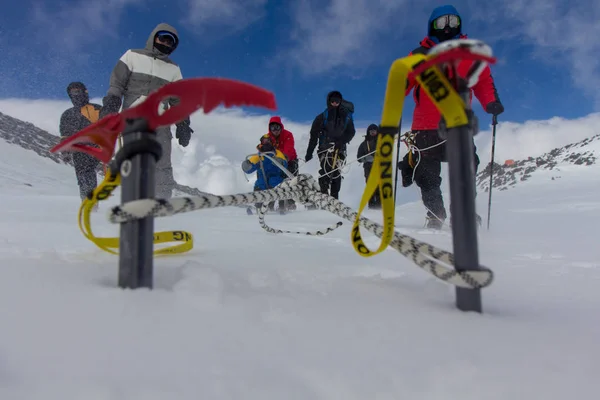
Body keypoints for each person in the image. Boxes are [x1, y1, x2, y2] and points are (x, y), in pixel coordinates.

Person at [397, 4, 504, 229]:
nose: (447, 28)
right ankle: (435, 215)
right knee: (427, 175)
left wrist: (491, 102)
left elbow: (483, 81)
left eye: (452, 22)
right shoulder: (419, 55)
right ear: (432, 26)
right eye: (441, 23)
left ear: (459, 26)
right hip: (425, 128)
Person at [99, 23, 194, 198]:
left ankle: (162, 201)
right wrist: (111, 104)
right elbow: (117, 84)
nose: (166, 43)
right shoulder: (132, 56)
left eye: (171, 42)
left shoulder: (174, 69)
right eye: (163, 38)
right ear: (154, 36)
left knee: (162, 162)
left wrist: (184, 124)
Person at [304, 90, 356, 199]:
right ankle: (324, 196)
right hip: (324, 149)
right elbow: (313, 136)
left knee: (336, 172)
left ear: (340, 102)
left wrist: (341, 141)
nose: (335, 103)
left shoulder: (346, 117)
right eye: (333, 101)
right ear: (329, 101)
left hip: (340, 148)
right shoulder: (321, 117)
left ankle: (334, 199)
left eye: (337, 101)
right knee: (326, 170)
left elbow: (351, 132)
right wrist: (309, 153)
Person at [59, 82, 102, 202]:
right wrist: (65, 151)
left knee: (86, 171)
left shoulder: (97, 109)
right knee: (82, 175)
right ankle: (87, 201)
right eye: (73, 92)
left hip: (96, 145)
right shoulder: (67, 114)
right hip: (78, 149)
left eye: (78, 91)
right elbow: (65, 135)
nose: (76, 94)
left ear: (85, 92)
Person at [242, 134, 289, 214]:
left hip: (275, 177)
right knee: (260, 184)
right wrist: (247, 166)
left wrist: (280, 162)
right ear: (261, 142)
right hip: (262, 179)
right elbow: (250, 167)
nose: (266, 143)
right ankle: (259, 207)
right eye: (264, 141)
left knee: (276, 183)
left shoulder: (277, 153)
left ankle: (281, 207)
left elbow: (284, 165)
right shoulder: (258, 156)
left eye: (268, 141)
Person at [265, 116, 298, 211]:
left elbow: (289, 147)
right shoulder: (267, 138)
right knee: (272, 181)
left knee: (291, 182)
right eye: (272, 128)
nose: (275, 130)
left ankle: (290, 204)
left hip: (290, 161)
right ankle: (269, 204)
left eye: (277, 127)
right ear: (269, 128)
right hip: (275, 163)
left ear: (281, 127)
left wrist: (285, 157)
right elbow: (263, 149)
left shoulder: (288, 135)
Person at [357, 124, 381, 209]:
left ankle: (379, 208)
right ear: (368, 132)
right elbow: (359, 158)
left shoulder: (382, 142)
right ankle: (371, 208)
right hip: (368, 169)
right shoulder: (364, 144)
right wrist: (367, 158)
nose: (373, 133)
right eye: (371, 131)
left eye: (374, 131)